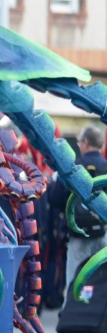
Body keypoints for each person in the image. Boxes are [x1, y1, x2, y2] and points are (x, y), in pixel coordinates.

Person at [51, 125, 107, 293]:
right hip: (103, 233)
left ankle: (72, 316)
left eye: (79, 141)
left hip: (78, 235)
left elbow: (55, 198)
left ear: (86, 143)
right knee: (103, 283)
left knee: (74, 281)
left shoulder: (73, 168)